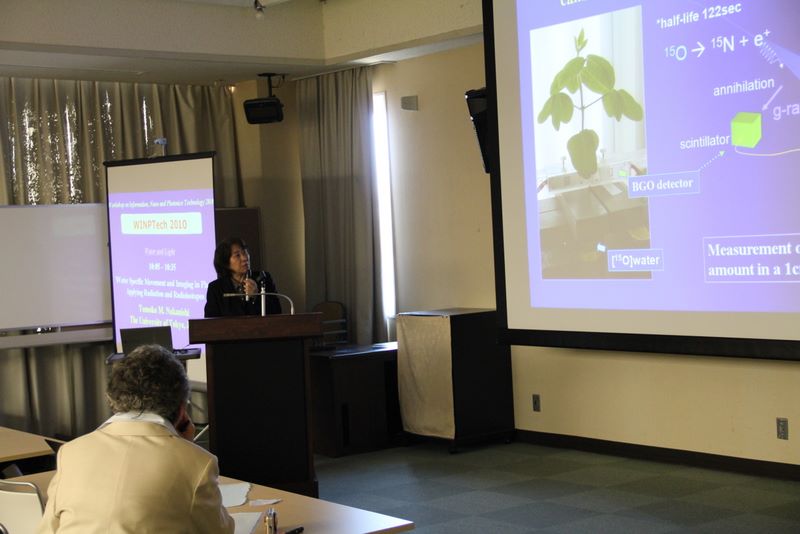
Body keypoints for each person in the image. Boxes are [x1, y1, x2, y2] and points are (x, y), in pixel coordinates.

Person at [38, 344, 235, 533]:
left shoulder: (70, 452)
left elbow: (48, 530)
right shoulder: (198, 463)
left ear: (112, 397)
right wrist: (185, 446)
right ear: (182, 409)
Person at [204, 237, 281, 317]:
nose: (245, 258)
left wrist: (257, 296)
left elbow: (277, 312)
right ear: (225, 262)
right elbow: (210, 321)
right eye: (237, 255)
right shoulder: (216, 288)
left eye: (245, 252)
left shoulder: (263, 278)